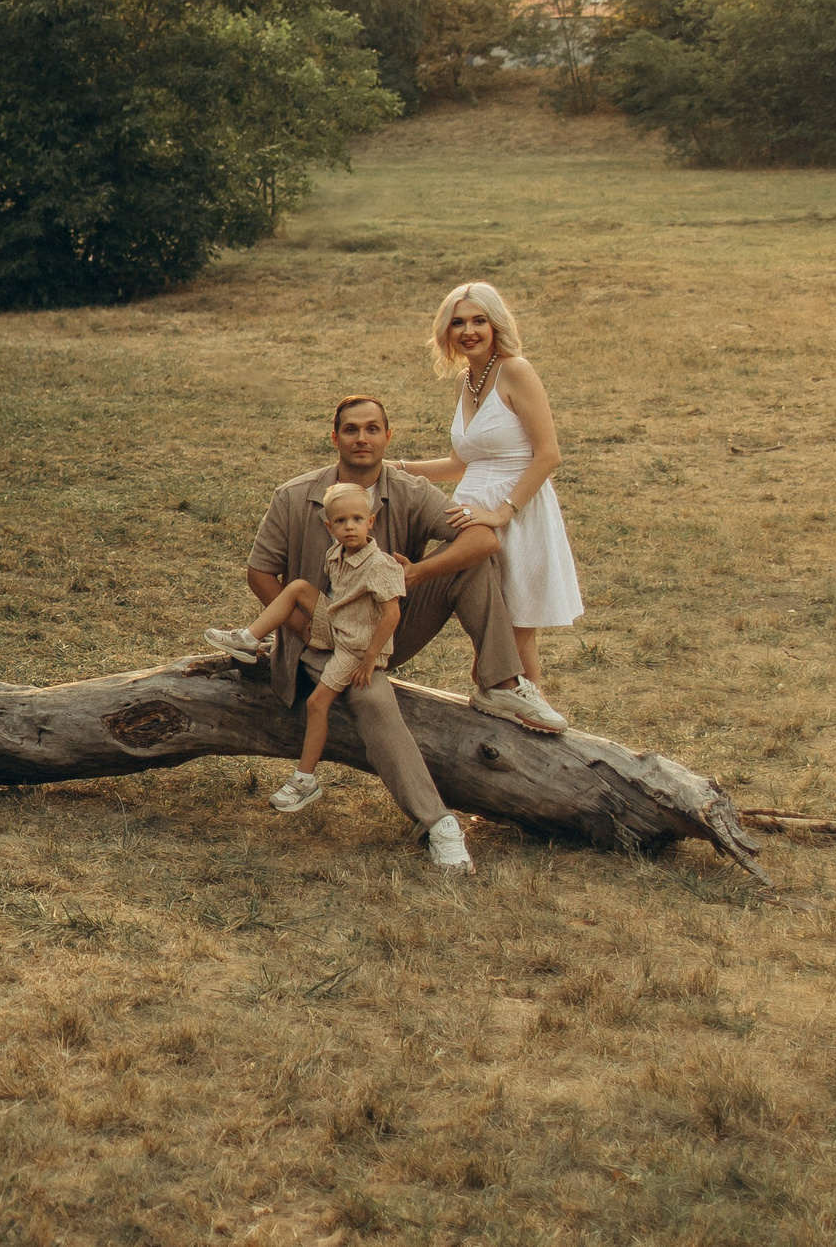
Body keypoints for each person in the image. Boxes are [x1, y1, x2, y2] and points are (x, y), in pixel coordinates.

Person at [233, 394, 533, 872]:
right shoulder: (296, 495)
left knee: (473, 565)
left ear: (388, 437)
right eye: (351, 429)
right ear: (335, 438)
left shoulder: (409, 491)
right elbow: (260, 574)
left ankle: (500, 684)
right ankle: (438, 823)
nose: (362, 438)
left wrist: (416, 575)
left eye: (373, 429)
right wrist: (307, 628)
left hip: (387, 626)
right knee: (372, 698)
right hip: (322, 639)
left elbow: (483, 538)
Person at [393, 282, 581, 732]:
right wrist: (396, 467)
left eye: (479, 320)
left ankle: (530, 751)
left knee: (514, 642)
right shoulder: (466, 379)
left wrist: (504, 512)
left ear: (496, 324)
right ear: (446, 331)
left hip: (517, 514)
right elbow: (462, 462)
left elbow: (549, 454)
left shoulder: (516, 370)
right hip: (471, 515)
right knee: (489, 650)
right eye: (458, 322)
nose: (468, 330)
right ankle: (499, 748)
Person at [205, 481, 405, 815]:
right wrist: (318, 627)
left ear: (371, 521)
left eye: (357, 518)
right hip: (338, 625)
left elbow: (391, 614)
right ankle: (248, 639)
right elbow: (340, 600)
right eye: (340, 521)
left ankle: (305, 780)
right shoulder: (335, 555)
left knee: (316, 703)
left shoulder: (380, 565)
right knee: (297, 586)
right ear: (330, 527)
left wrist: (370, 658)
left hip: (356, 646)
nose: (349, 526)